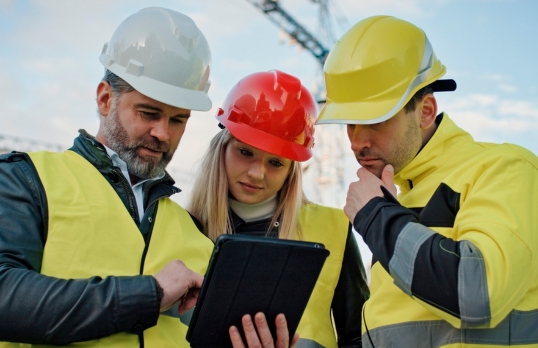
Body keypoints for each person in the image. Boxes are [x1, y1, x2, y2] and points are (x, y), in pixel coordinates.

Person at [0, 7, 292, 348]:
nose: (163, 133)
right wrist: (148, 294)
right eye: (148, 113)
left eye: (178, 120)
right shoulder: (27, 179)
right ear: (106, 99)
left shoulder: (192, 232)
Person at [316, 15, 538, 348]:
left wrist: (376, 215)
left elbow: (478, 295)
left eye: (374, 120)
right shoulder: (396, 202)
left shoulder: (504, 168)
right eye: (350, 123)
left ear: (425, 111)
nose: (357, 141)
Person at [187, 69, 370, 348]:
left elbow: (357, 337)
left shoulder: (334, 228)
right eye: (245, 152)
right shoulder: (182, 227)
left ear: (291, 170)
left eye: (276, 163)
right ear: (221, 147)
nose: (257, 174)